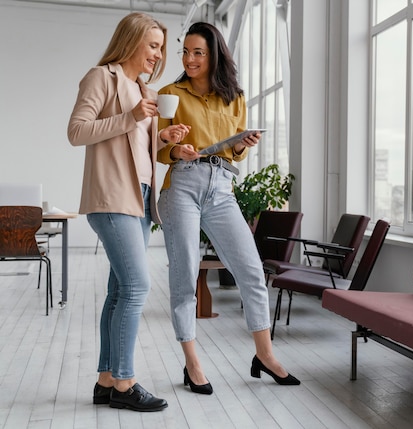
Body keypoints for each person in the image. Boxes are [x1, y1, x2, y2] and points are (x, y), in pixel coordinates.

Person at [156, 22, 300, 395]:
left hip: (222, 188)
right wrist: (176, 149)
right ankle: (193, 363)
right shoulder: (169, 94)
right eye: (185, 52)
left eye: (197, 52)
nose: (189, 59)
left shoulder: (233, 96)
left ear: (214, 54)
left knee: (251, 271)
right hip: (182, 185)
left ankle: (265, 355)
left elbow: (237, 149)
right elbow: (157, 150)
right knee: (185, 276)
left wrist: (241, 145)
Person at [67, 12, 190, 411]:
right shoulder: (101, 77)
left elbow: (135, 149)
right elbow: (77, 131)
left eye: (160, 47)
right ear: (132, 41)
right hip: (111, 197)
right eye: (152, 45)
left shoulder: (144, 89)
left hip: (139, 196)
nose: (158, 55)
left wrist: (164, 139)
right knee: (137, 288)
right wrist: (130, 118)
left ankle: (106, 381)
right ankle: (125, 382)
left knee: (120, 290)